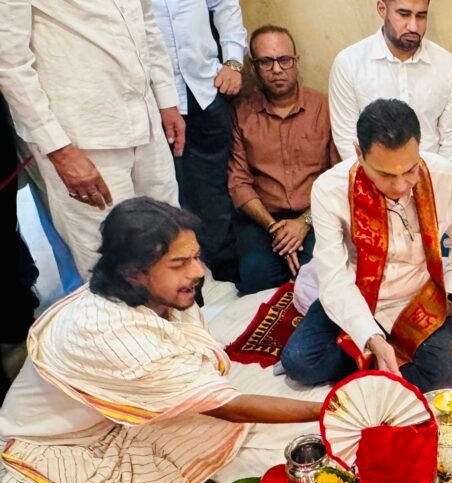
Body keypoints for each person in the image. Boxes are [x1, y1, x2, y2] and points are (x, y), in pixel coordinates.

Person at [0, 198, 322, 483]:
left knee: (212, 429)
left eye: (196, 257)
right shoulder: (111, 334)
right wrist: (328, 409)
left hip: (104, 421)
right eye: (179, 263)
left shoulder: (155, 296)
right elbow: (226, 405)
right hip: (46, 445)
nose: (198, 272)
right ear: (134, 273)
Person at [281, 99, 452, 391]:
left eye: (409, 170)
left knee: (447, 377)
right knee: (299, 362)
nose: (400, 186)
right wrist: (371, 338)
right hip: (356, 294)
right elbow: (334, 277)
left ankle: (370, 365)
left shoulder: (442, 175)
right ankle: (385, 359)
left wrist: (449, 296)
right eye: (385, 174)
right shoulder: (330, 189)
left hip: (417, 297)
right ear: (359, 154)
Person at [0, 0, 186, 278]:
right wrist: (60, 150)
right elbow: (10, 64)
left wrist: (166, 99)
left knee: (173, 238)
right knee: (114, 264)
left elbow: (146, 21)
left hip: (145, 120)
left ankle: (186, 308)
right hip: (82, 140)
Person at [229, 25, 340, 295]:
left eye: (284, 60)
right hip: (262, 219)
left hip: (315, 215)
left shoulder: (324, 107)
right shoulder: (241, 113)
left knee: (317, 275)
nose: (277, 69)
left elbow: (339, 175)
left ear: (296, 60)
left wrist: (304, 222)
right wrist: (274, 228)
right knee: (256, 277)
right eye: (266, 62)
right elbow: (238, 183)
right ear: (254, 67)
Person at [152, 0, 247, 281]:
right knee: (167, 192)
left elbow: (226, 5)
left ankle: (225, 269)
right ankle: (182, 274)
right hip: (157, 101)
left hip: (205, 88)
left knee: (214, 188)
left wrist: (233, 62)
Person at [329, 0, 452, 165]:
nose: (413, 27)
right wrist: (380, 178)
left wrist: (435, 179)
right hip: (370, 176)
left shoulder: (448, 66)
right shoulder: (349, 64)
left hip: (433, 176)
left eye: (421, 16)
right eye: (404, 14)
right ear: (382, 9)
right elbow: (348, 141)